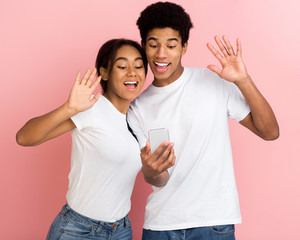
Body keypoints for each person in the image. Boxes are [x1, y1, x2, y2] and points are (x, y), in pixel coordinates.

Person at [126, 2, 279, 239]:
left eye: (171, 45)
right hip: (160, 226)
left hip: (214, 223)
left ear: (184, 47)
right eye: (153, 45)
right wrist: (150, 170)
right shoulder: (137, 107)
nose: (161, 54)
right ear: (144, 46)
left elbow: (270, 132)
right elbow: (159, 178)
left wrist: (244, 80)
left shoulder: (213, 82)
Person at [16, 38, 148, 240]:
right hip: (78, 230)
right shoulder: (91, 108)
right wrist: (68, 109)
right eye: (122, 66)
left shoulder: (136, 120)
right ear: (104, 72)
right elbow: (24, 137)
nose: (132, 72)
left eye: (139, 66)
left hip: (121, 230)